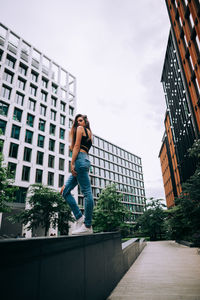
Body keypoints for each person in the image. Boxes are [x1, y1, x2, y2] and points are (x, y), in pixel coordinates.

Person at [61, 114, 94, 235]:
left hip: (79, 160)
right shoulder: (90, 133)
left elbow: (76, 146)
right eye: (77, 121)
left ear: (85, 122)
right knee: (65, 191)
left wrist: (72, 163)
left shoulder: (81, 129)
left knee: (87, 192)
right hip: (83, 160)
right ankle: (80, 218)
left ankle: (88, 225)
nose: (78, 123)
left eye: (80, 120)